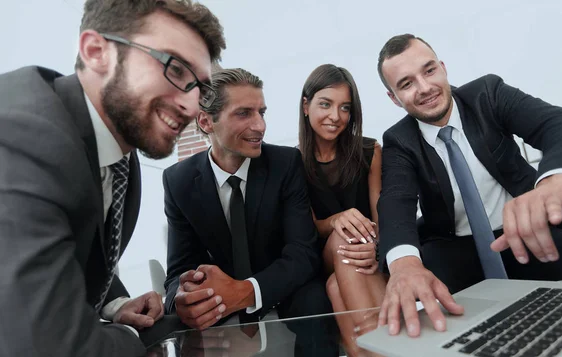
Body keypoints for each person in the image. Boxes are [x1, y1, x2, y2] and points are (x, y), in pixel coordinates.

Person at [0, 0, 225, 355]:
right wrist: (132, 339)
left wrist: (115, 304)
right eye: (175, 68)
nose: (192, 105)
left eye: (201, 88)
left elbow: (71, 246)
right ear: (96, 51)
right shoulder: (24, 136)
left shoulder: (122, 156)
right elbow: (44, 342)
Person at [375, 34, 562, 338]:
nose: (425, 88)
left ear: (442, 67)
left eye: (429, 71)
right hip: (456, 250)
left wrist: (552, 185)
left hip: (528, 234)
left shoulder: (487, 94)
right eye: (406, 83)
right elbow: (394, 202)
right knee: (449, 331)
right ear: (393, 97)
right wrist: (403, 264)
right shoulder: (398, 140)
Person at [162, 68, 337, 356]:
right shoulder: (178, 181)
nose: (260, 126)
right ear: (206, 121)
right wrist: (179, 298)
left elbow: (302, 253)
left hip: (284, 285)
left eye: (262, 112)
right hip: (220, 295)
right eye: (244, 113)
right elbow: (178, 271)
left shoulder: (285, 163)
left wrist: (245, 292)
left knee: (315, 301)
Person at [298, 64, 387, 355]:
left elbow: (381, 215)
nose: (336, 117)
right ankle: (389, 343)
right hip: (323, 254)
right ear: (306, 105)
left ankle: (369, 350)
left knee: (337, 287)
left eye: (345, 108)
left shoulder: (370, 151)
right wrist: (338, 219)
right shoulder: (293, 162)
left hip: (365, 252)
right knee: (344, 236)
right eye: (326, 104)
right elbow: (309, 227)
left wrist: (376, 247)